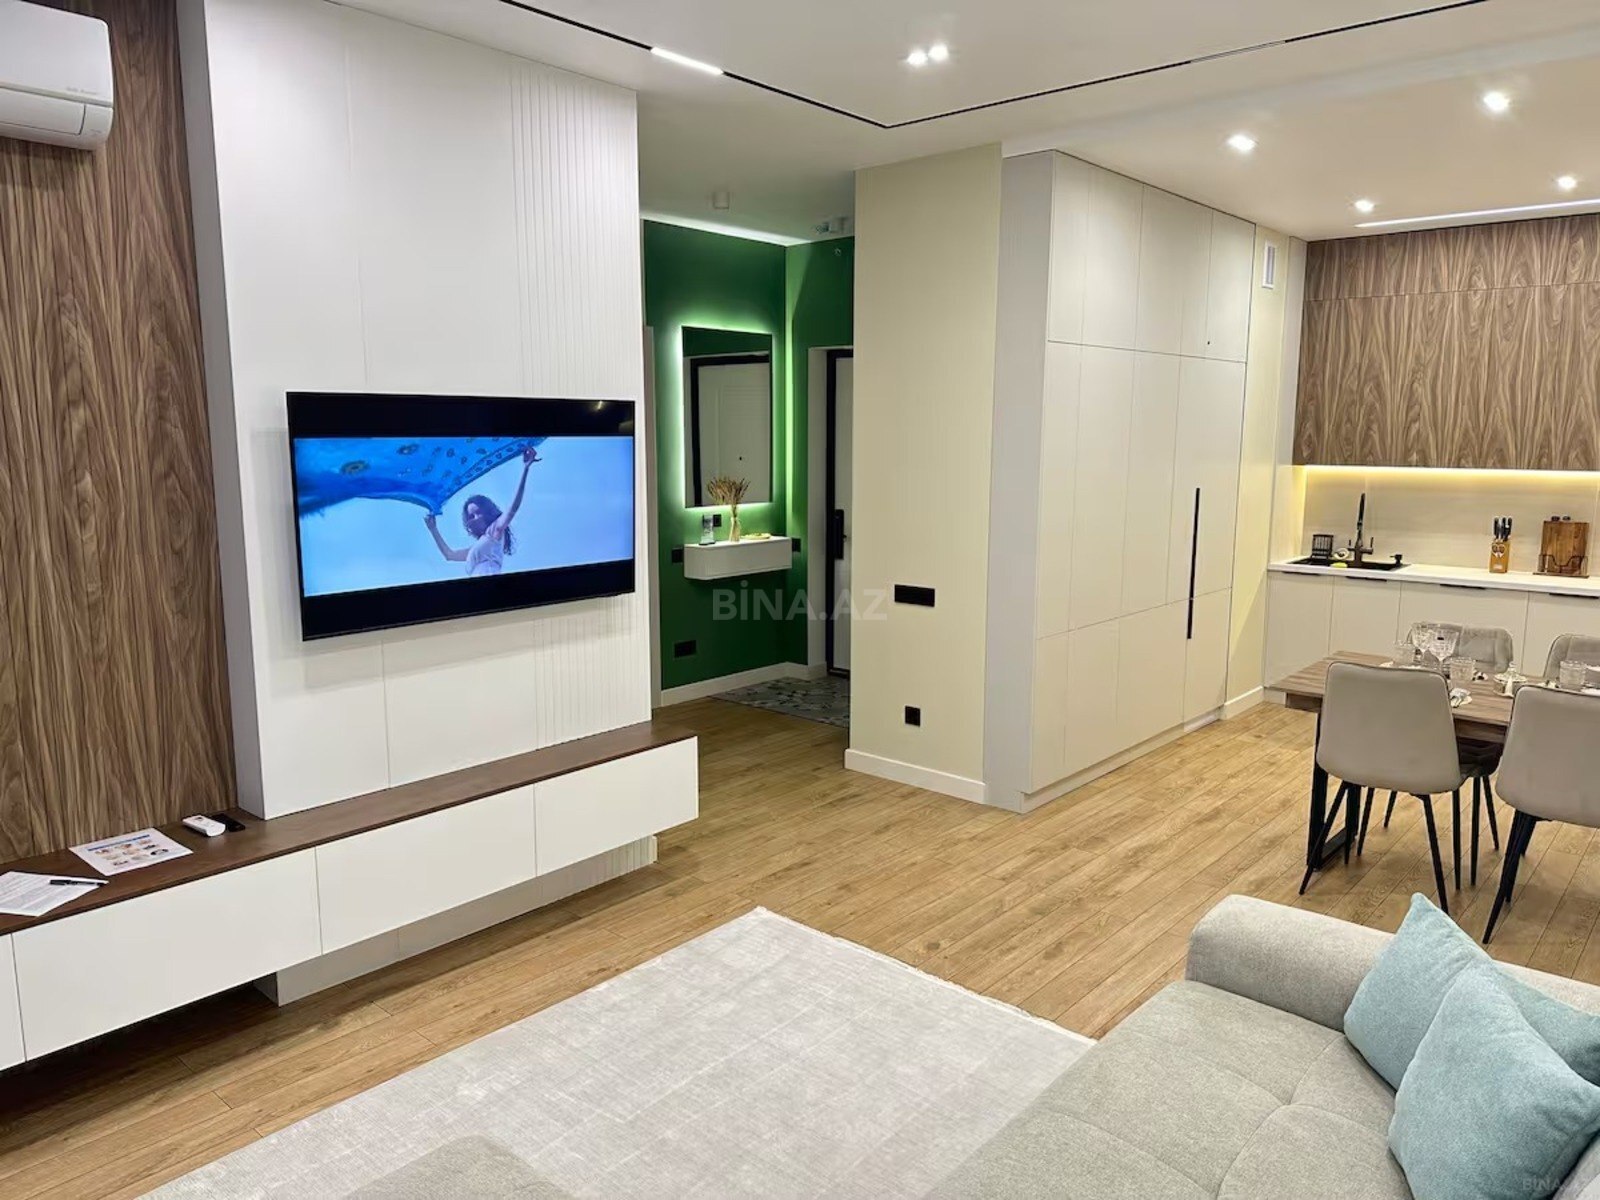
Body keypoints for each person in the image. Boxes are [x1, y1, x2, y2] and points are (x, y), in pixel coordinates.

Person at [424, 444, 540, 576]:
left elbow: (513, 508)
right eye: (471, 516)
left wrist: (525, 468)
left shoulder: (494, 532)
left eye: (478, 512)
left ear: (487, 512)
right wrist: (433, 529)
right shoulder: (475, 549)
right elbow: (449, 555)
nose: (475, 518)